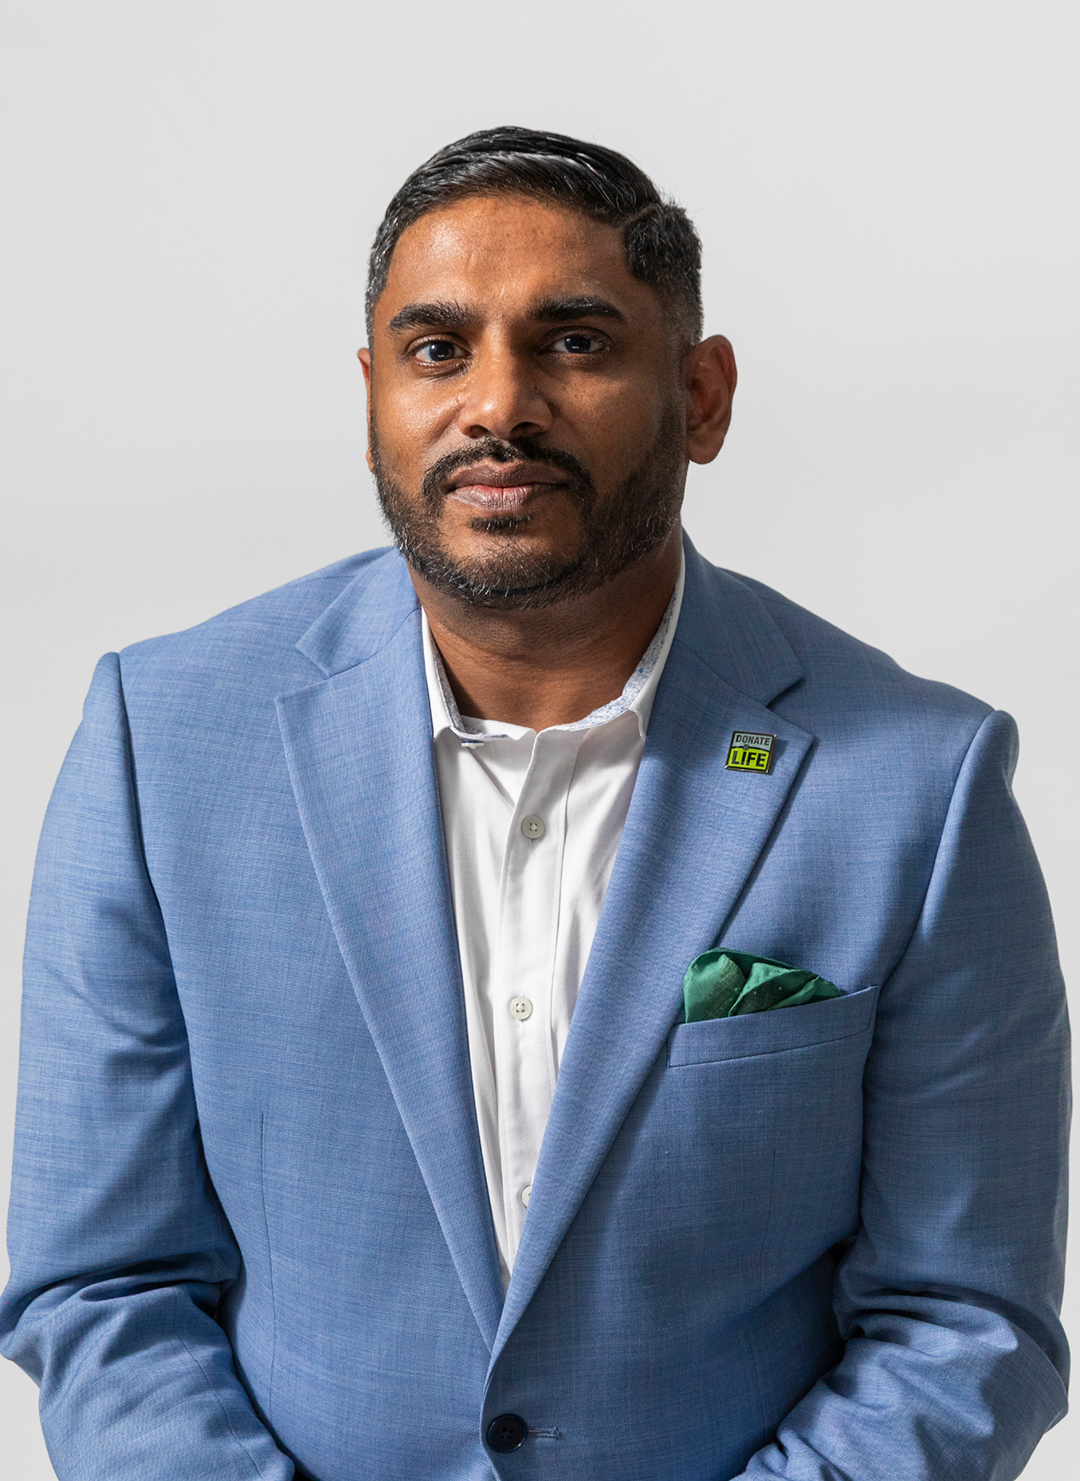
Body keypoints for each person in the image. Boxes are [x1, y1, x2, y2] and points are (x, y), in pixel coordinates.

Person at [0, 126, 1069, 1481]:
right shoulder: (166, 744)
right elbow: (103, 1286)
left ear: (705, 394)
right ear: (375, 391)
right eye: (437, 349)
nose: (497, 405)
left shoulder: (917, 784)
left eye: (574, 342)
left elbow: (964, 1320)